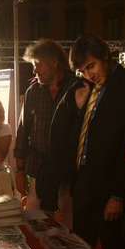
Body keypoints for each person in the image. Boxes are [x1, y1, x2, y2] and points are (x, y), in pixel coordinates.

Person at [41, 34, 125, 249]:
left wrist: (118, 195)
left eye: (91, 66)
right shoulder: (87, 88)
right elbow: (67, 128)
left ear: (105, 56)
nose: (89, 74)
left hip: (110, 191)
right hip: (84, 187)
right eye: (82, 70)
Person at [13, 39, 78, 225]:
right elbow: (22, 132)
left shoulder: (77, 88)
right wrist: (19, 171)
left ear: (54, 63)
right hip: (38, 168)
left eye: (38, 64)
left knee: (70, 220)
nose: (34, 70)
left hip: (68, 170)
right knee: (33, 219)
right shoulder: (33, 91)